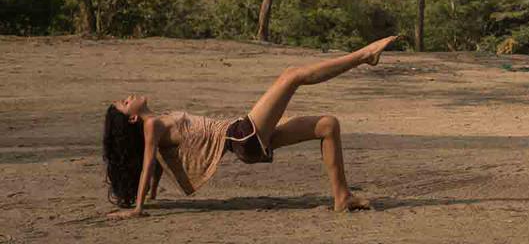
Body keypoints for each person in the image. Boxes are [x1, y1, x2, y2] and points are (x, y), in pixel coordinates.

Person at [102, 35, 399, 219]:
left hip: (247, 140)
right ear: (131, 118)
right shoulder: (152, 124)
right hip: (242, 135)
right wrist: (139, 207)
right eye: (124, 103)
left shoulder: (159, 119)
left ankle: (341, 197)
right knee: (292, 75)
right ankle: (364, 55)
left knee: (328, 125)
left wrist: (152, 194)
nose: (128, 97)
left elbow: (157, 165)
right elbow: (147, 163)